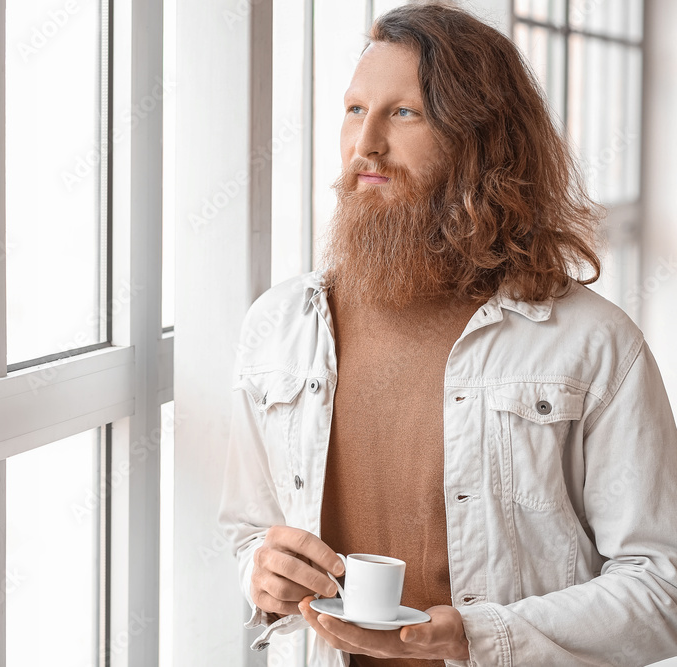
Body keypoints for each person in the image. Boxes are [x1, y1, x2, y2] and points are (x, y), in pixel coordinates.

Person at [217, 3, 677, 666]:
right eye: (354, 109)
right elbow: (249, 532)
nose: (364, 143)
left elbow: (662, 583)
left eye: (403, 113)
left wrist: (478, 635)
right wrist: (260, 573)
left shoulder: (595, 344)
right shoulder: (278, 327)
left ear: (481, 140)